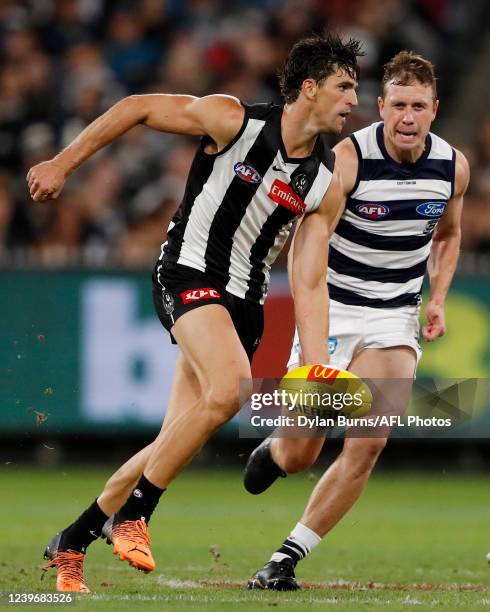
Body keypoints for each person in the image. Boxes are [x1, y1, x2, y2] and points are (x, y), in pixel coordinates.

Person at [27, 33, 362, 592]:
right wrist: (63, 164)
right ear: (309, 88)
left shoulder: (326, 183)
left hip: (244, 308)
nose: (354, 99)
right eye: (344, 86)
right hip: (187, 275)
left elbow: (307, 277)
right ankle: (133, 517)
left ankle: (74, 540)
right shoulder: (233, 120)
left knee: (173, 438)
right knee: (230, 390)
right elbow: (137, 108)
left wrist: (318, 358)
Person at [244, 50, 470, 591]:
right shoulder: (348, 159)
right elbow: (308, 242)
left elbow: (449, 234)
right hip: (337, 309)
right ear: (381, 107)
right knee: (302, 452)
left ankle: (285, 558)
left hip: (394, 318)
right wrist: (312, 328)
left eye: (419, 105)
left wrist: (436, 297)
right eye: (398, 105)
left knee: (370, 439)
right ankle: (276, 451)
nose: (408, 117)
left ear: (434, 109)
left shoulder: (453, 167)